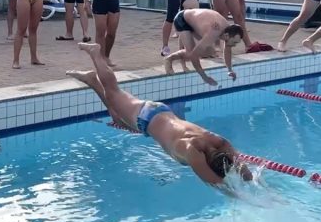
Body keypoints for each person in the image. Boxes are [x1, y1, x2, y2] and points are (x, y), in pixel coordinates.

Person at [68, 42, 250, 190]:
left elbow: (241, 166)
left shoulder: (218, 142)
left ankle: (92, 80)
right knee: (113, 91)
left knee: (116, 117)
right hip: (145, 117)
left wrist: (258, 185)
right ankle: (95, 53)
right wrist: (248, 200)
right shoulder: (191, 150)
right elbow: (216, 184)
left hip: (158, 114)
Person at [164, 8, 244, 87]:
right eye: (234, 42)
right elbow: (194, 55)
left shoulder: (229, 30)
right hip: (182, 20)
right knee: (191, 53)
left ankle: (182, 59)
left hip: (197, 22)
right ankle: (169, 59)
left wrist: (230, 70)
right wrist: (205, 77)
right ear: (226, 36)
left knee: (209, 52)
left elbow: (228, 51)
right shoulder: (214, 32)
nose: (235, 45)